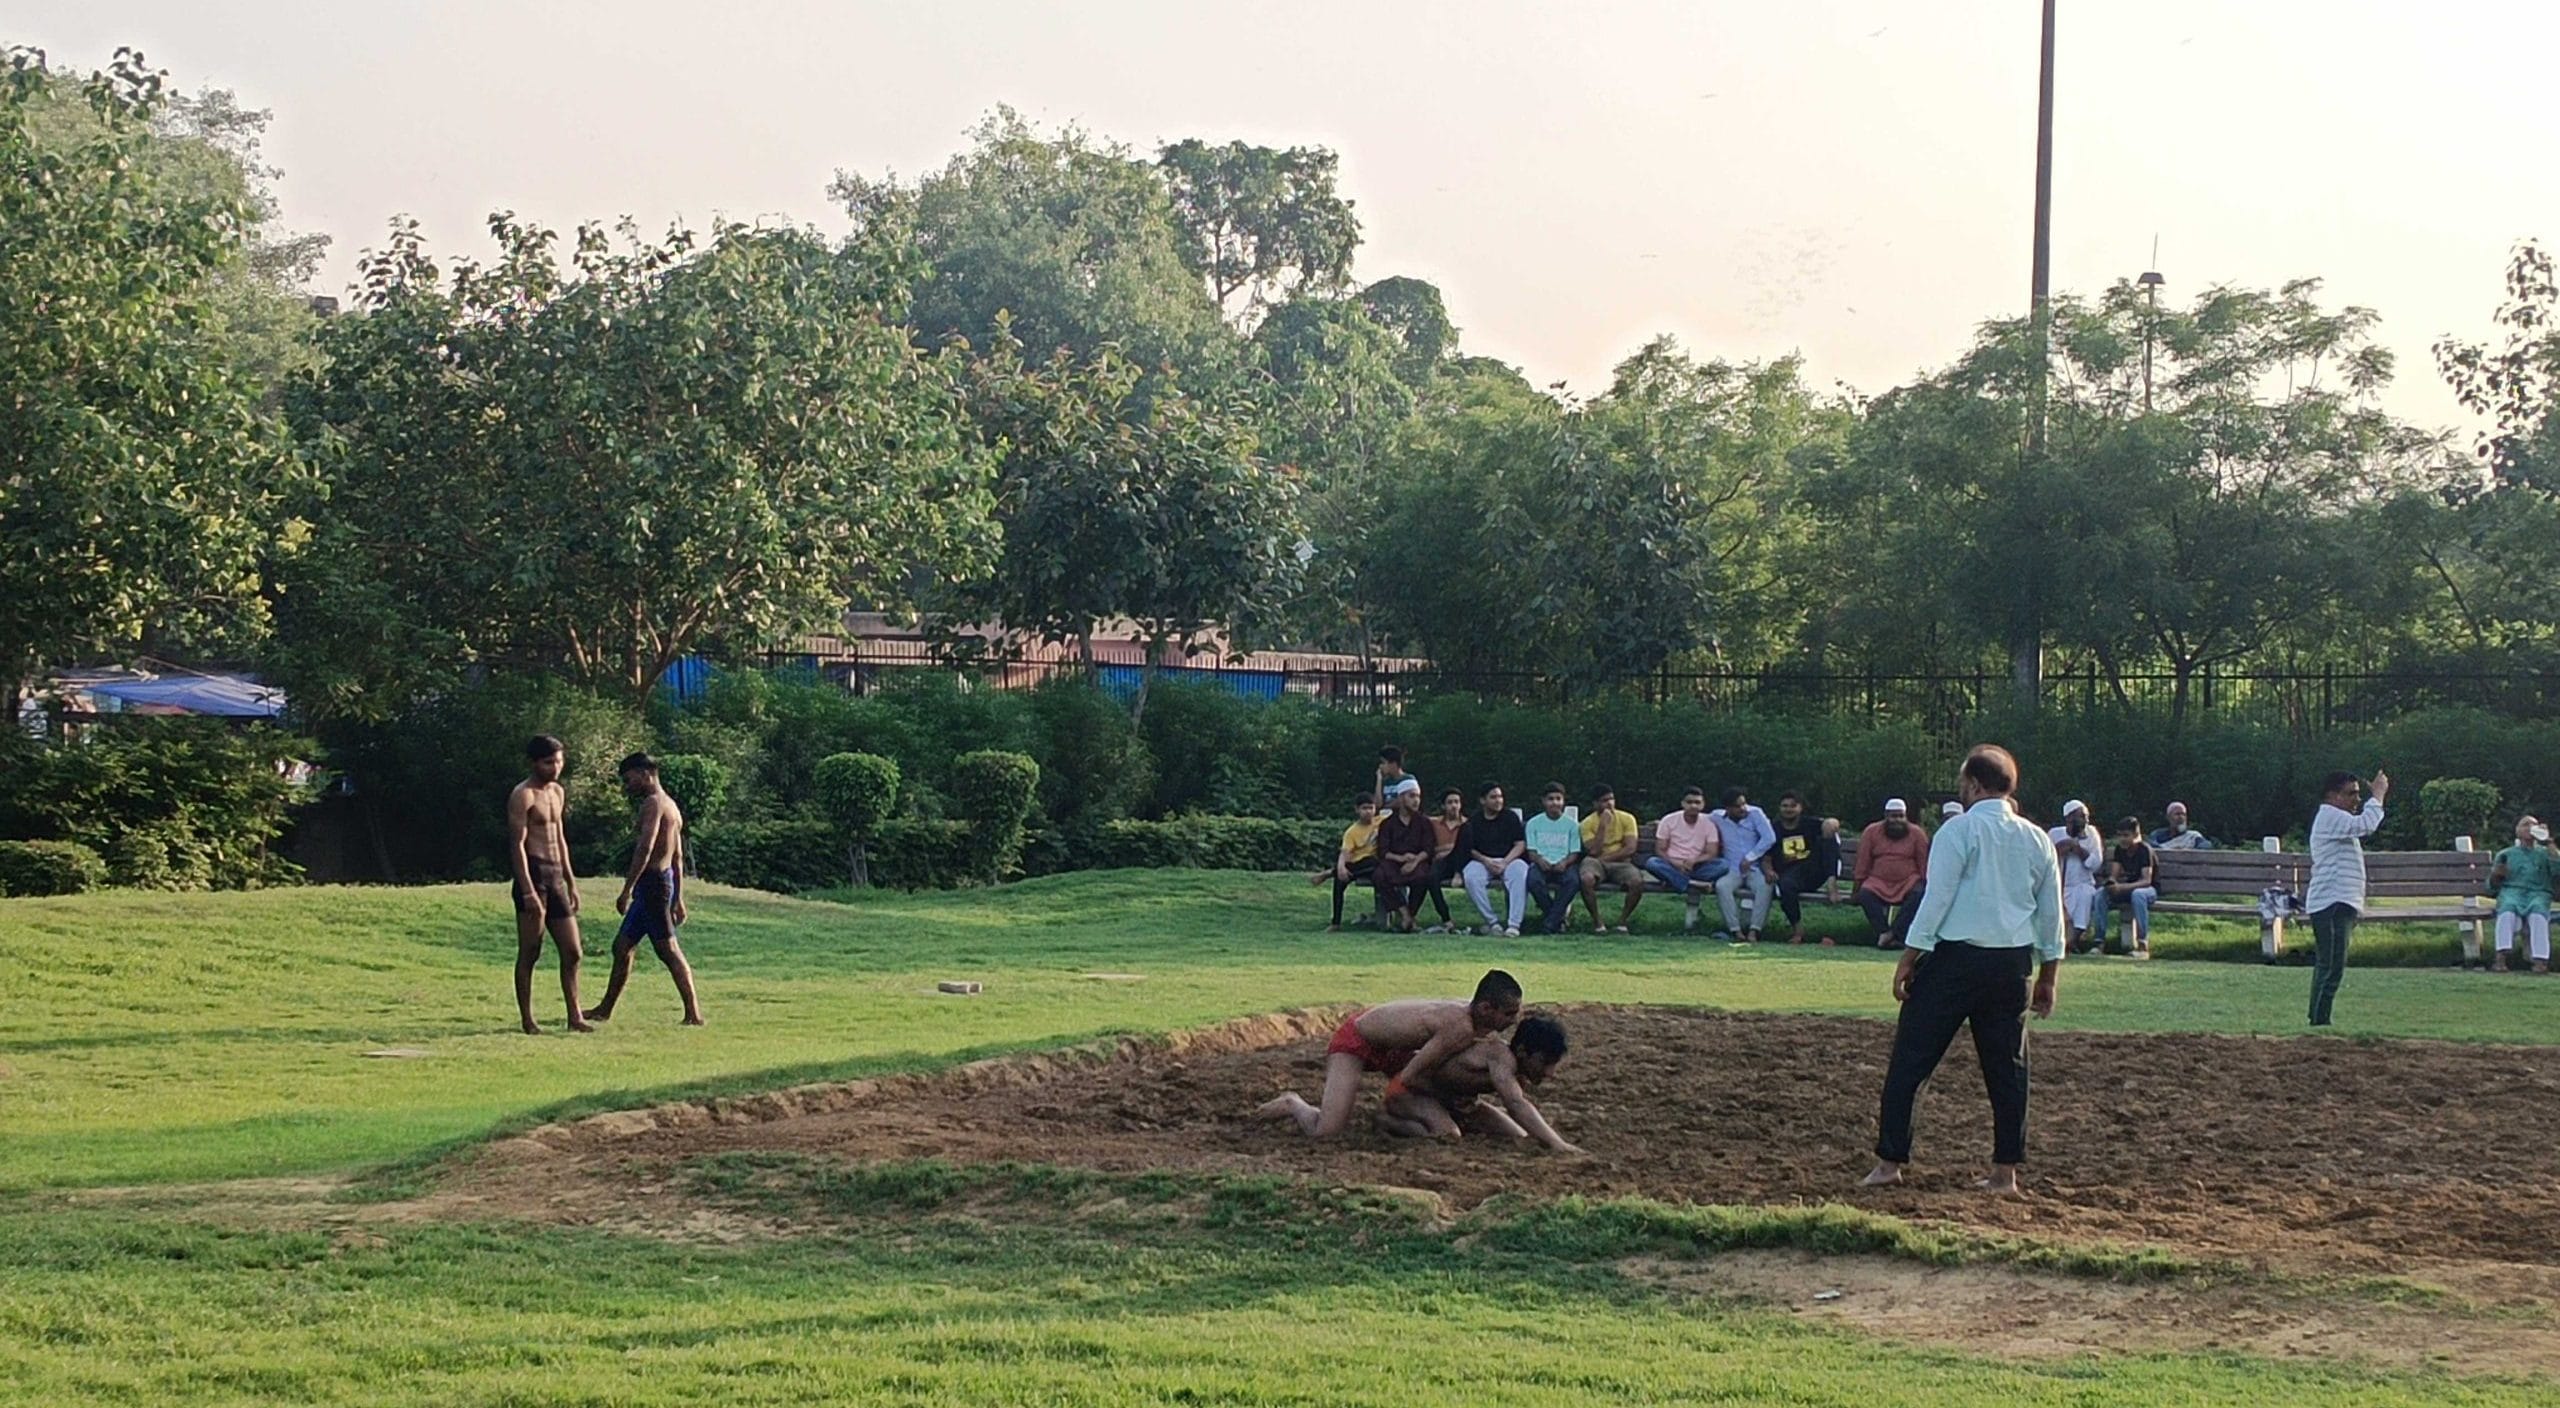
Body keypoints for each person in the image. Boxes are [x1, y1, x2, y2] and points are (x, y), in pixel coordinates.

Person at [1864, 744, 2064, 1197]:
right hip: (2012, 965)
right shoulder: (2037, 839)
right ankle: (2004, 1173)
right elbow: (2052, 913)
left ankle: (1890, 1162)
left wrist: (1909, 956)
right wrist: (2049, 974)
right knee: (2008, 1070)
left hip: (1956, 960)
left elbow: (1937, 899)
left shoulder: (1958, 830)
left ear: (1973, 785)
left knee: (1912, 1059)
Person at [1256, 970, 1525, 1139]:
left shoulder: (1473, 1021)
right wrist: (1426, 1098)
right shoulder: (1461, 1027)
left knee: (1443, 1095)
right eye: (1509, 1014)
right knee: (1325, 1132)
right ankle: (1293, 1103)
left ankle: (1426, 1115)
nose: (1514, 1020)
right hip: (1358, 1040)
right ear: (1486, 1009)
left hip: (1397, 1046)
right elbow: (1410, 1076)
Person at [583, 752, 705, 1026]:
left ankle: (694, 1014)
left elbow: (645, 847)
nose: (628, 786)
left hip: (653, 885)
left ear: (645, 773)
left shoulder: (653, 804)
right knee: (622, 946)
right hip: (659, 884)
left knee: (668, 950)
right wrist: (678, 897)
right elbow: (677, 858)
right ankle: (604, 1009)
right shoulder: (671, 806)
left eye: (630, 779)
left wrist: (626, 889)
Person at [1376, 1015, 1582, 1153]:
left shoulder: (1515, 1069)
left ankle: (1446, 1118)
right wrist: (1557, 1143)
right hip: (1410, 1093)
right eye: (1544, 1062)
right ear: (1521, 1051)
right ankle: (1387, 1121)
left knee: (1518, 1135)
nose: (1549, 1073)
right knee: (1448, 1135)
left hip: (1456, 1103)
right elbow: (1515, 1104)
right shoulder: (1500, 1056)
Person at [506, 735, 592, 1035]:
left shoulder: (557, 792)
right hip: (534, 874)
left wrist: (571, 882)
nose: (555, 767)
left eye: (558, 761)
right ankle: (528, 1019)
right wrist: (527, 890)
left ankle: (575, 1016)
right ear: (534, 763)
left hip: (556, 876)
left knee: (573, 951)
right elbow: (516, 845)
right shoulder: (523, 795)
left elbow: (560, 838)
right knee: (530, 950)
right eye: (548, 762)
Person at [2304, 769, 2391, 1027]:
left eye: (2358, 794)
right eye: (2351, 793)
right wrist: (2378, 795)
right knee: (2332, 965)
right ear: (2332, 795)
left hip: (2338, 901)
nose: (2357, 799)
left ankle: (2317, 1019)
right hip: (2332, 902)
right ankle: (2320, 1022)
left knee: (2328, 964)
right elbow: (2367, 825)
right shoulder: (2330, 816)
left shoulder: (2334, 818)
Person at [1644, 787, 1730, 934]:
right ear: (1682, 803)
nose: (1693, 806)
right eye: (1689, 802)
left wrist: (1695, 861)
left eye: (1697, 802)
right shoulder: (1669, 820)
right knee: (1652, 863)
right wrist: (1675, 863)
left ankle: (1679, 881)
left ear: (1703, 804)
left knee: (1723, 865)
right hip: (1672, 865)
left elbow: (1712, 853)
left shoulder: (1708, 823)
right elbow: (1660, 850)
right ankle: (1692, 883)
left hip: (1697, 867)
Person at [1851, 798, 1930, 950]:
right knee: (1865, 894)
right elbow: (1863, 862)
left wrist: (1926, 883)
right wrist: (1856, 888)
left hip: (1908, 882)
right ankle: (1884, 932)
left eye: (1901, 816)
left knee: (1919, 893)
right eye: (1893, 816)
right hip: (1878, 882)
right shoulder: (1871, 832)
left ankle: (1894, 934)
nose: (1897, 820)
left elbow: (1923, 863)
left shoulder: (1917, 833)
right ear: (1886, 816)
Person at [1768, 790, 1843, 945]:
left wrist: (1831, 823)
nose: (1788, 809)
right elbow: (1766, 856)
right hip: (1789, 874)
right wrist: (1768, 870)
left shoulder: (1810, 824)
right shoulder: (1773, 829)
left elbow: (1832, 823)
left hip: (1813, 871)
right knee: (1785, 886)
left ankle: (1832, 883)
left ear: (1800, 807)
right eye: (1784, 806)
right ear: (1779, 808)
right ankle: (1797, 930)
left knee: (1827, 841)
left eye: (1793, 806)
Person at [1459, 783, 1530, 937]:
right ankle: (1493, 923)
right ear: (1482, 800)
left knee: (1521, 873)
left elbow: (1520, 844)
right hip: (1483, 861)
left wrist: (1505, 862)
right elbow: (1470, 849)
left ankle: (1514, 925)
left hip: (1510, 859)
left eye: (1500, 797)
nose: (1498, 800)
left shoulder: (1510, 817)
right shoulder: (1474, 821)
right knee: (1471, 876)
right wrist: (1486, 861)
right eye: (1493, 797)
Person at [1709, 787, 1778, 942]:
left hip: (1754, 868)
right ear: (1727, 808)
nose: (1742, 808)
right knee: (1722, 886)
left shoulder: (1755, 814)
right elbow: (1697, 820)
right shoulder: (1717, 817)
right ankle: (1735, 930)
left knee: (1766, 886)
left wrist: (1750, 857)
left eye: (1743, 804)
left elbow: (1769, 838)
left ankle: (1755, 930)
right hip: (1732, 869)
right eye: (1737, 806)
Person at [2489, 814, 2554, 975]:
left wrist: (2549, 843)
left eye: (2533, 825)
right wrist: (2496, 876)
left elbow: (2557, 869)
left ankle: (2540, 961)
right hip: (2512, 892)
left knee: (2538, 913)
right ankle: (2500, 958)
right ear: (2517, 831)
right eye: (2525, 824)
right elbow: (2491, 887)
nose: (2530, 828)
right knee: (2507, 911)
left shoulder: (2545, 854)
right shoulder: (2506, 854)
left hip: (2538, 893)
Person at [1371, 781, 1439, 934]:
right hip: (1394, 862)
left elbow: (1429, 849)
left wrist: (1414, 861)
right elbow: (1383, 851)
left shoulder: (1424, 822)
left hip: (1418, 861)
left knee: (1423, 876)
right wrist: (1400, 858)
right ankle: (1405, 913)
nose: (1416, 800)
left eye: (1418, 797)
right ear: (1401, 798)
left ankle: (1410, 915)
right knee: (1379, 876)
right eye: (1412, 796)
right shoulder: (1387, 823)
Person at [1578, 785, 1647, 934]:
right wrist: (1603, 826)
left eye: (1611, 799)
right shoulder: (1587, 823)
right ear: (1595, 804)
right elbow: (1594, 851)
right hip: (1595, 862)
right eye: (1604, 800)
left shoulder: (1627, 818)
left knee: (1636, 882)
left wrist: (1605, 859)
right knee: (1586, 879)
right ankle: (1597, 922)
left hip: (1621, 862)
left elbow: (1630, 848)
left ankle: (1622, 922)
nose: (1609, 803)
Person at [2090, 816, 2157, 959]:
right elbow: (2114, 875)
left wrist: (2122, 887)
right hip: (2128, 889)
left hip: (2148, 890)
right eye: (2119, 835)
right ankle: (2098, 943)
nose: (2122, 839)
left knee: (2138, 895)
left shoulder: (2144, 850)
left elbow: (2146, 881)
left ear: (2136, 834)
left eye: (2126, 835)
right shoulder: (2120, 850)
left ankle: (2142, 945)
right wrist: (2111, 883)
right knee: (2100, 894)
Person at [1314, 794, 1382, 931]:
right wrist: (1341, 868)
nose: (1368, 811)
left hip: (1374, 863)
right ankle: (1336, 923)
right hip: (1357, 864)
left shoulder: (1381, 821)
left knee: (1374, 862)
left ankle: (1330, 873)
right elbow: (1344, 852)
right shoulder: (1352, 832)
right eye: (1364, 808)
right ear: (1357, 810)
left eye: (1371, 808)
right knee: (1340, 881)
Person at [1521, 783, 1583, 935]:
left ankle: (1549, 924)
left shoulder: (1572, 825)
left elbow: (1575, 852)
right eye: (1550, 799)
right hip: (1541, 864)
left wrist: (1565, 862)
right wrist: (1540, 860)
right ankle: (1556, 919)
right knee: (1533, 881)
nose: (1555, 803)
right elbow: (1531, 851)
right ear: (1543, 801)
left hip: (1564, 864)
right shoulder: (1534, 823)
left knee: (1573, 881)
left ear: (1563, 801)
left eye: (1558, 799)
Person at [2050, 800, 2104, 954]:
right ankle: (2058, 941)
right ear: (2069, 818)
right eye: (2081, 816)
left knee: (2085, 897)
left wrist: (2078, 849)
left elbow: (2095, 863)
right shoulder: (2055, 833)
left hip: (2083, 884)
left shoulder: (2091, 833)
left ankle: (2071, 942)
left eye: (2086, 816)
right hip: (2060, 884)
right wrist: (2059, 849)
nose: (2085, 820)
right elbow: (2045, 858)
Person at [1420, 787, 1466, 933]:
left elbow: (1468, 848)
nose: (1454, 806)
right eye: (1450, 802)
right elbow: (1428, 847)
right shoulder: (1434, 824)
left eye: (1457, 802)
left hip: (1462, 863)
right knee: (1430, 877)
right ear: (1443, 806)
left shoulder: (1467, 824)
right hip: (1441, 862)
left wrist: (1450, 849)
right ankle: (1446, 918)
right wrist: (1449, 848)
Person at [2150, 801, 2215, 851]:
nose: (2181, 817)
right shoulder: (2157, 835)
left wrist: (2188, 852)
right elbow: (2151, 846)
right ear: (2168, 817)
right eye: (2177, 814)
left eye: (2183, 814)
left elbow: (2206, 845)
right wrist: (2172, 850)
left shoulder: (2193, 836)